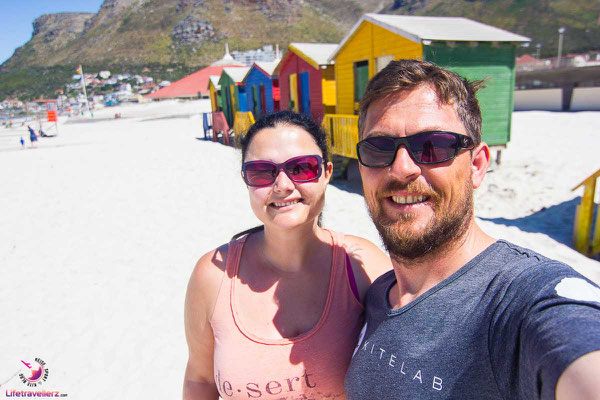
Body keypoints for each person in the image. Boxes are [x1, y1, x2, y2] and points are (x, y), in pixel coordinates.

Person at [344, 59, 600, 399]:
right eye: (379, 149)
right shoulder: (379, 295)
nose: (401, 168)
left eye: (432, 146)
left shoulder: (521, 300)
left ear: (477, 165)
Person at [183, 111, 392, 399]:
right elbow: (200, 380)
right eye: (261, 172)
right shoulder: (212, 276)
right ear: (246, 180)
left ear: (326, 173)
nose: (282, 185)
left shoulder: (363, 265)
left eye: (302, 168)